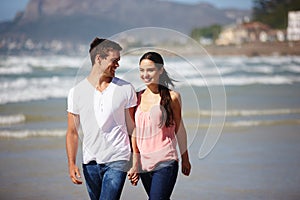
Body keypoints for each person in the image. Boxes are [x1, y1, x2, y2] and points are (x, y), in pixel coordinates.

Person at [66, 37, 138, 200]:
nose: (117, 65)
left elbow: (132, 128)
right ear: (99, 59)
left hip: (117, 159)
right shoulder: (76, 92)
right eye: (114, 60)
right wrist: (71, 163)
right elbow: (72, 132)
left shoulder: (126, 88)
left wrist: (135, 161)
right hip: (90, 163)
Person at [129, 52, 191, 199]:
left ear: (160, 70)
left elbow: (179, 129)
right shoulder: (136, 97)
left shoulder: (172, 97)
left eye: (150, 70)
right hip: (144, 164)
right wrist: (135, 162)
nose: (145, 74)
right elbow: (134, 132)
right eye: (141, 70)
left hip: (166, 160)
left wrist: (185, 158)